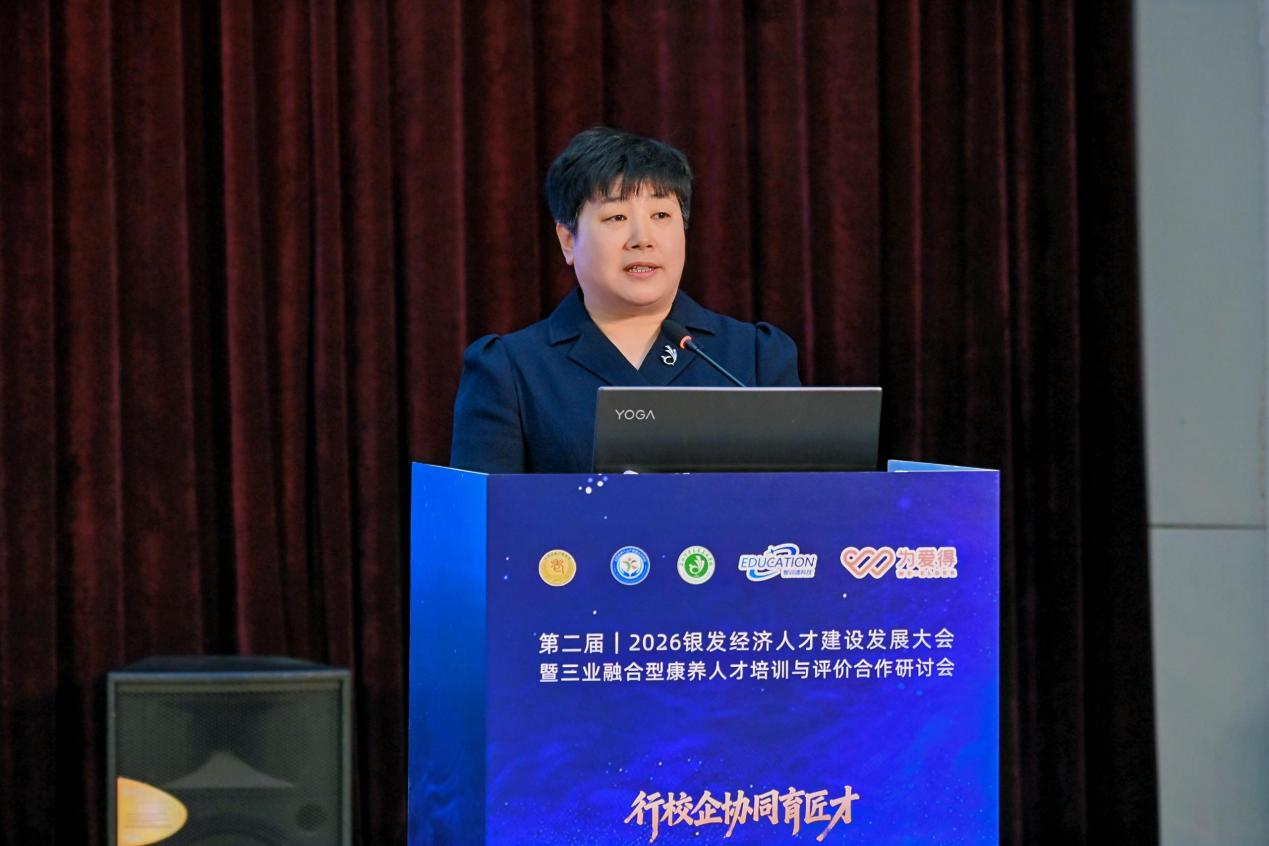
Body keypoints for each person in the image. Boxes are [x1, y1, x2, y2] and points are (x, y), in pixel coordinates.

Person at [449, 127, 800, 473]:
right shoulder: (510, 370)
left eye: (661, 215)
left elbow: (803, 498)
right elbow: (482, 509)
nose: (642, 239)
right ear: (568, 240)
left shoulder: (755, 357)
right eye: (616, 217)